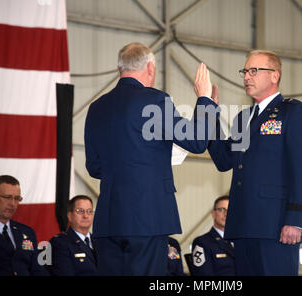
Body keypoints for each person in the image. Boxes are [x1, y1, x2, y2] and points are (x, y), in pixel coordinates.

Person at [84, 42, 217, 275]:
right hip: (147, 219)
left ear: (119, 70)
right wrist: (205, 100)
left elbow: (94, 167)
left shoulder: (96, 108)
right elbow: (196, 142)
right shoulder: (154, 101)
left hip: (108, 222)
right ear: (150, 69)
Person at [208, 50, 302, 275]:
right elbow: (224, 159)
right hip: (243, 226)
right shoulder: (243, 119)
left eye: (254, 71)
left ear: (274, 76)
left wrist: (295, 220)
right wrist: (210, 112)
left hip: (275, 226)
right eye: (245, 71)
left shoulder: (292, 112)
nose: (247, 76)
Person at [0, 175, 48, 276]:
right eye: (7, 197)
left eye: (17, 198)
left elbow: (38, 271)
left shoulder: (27, 232)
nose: (12, 203)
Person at [49, 195, 97, 276]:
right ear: (70, 216)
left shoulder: (100, 242)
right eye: (80, 211)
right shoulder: (59, 243)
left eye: (89, 211)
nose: (85, 216)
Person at [191, 195, 235, 276]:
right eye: (222, 210)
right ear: (213, 213)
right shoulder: (202, 243)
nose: (226, 214)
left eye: (230, 210)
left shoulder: (241, 242)